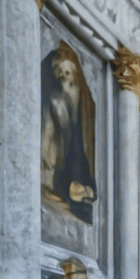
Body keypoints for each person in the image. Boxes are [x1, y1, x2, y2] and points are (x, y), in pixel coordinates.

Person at [41, 41, 97, 224]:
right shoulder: (56, 99)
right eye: (61, 74)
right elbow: (49, 127)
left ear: (73, 76)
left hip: (73, 141)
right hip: (60, 140)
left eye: (68, 74)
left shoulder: (78, 94)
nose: (64, 78)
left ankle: (73, 191)